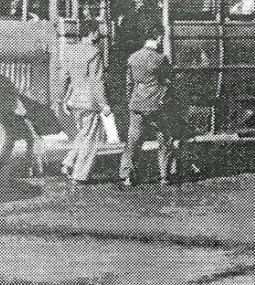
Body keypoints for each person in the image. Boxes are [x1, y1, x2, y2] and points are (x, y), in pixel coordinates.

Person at [119, 21, 175, 187]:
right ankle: (165, 176)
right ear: (159, 37)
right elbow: (168, 83)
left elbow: (129, 83)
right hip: (156, 105)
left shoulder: (133, 58)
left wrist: (131, 101)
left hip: (136, 104)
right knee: (164, 139)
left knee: (133, 140)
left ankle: (127, 175)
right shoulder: (160, 59)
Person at [59, 21, 112, 184]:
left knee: (83, 133)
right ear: (91, 33)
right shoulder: (94, 52)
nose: (99, 35)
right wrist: (104, 104)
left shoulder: (70, 50)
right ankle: (80, 175)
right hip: (89, 101)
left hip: (74, 100)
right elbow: (97, 81)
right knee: (90, 138)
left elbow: (65, 77)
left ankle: (68, 163)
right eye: (96, 32)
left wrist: (63, 99)